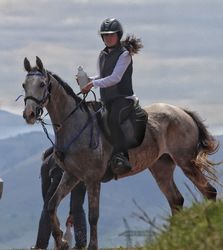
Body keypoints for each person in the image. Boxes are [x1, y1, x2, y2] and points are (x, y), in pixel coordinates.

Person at [80, 17, 143, 175]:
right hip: (107, 99)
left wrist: (93, 84)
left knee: (113, 119)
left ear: (118, 35)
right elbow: (102, 76)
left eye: (111, 35)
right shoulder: (102, 55)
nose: (108, 38)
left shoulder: (124, 55)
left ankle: (122, 157)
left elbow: (115, 78)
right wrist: (88, 80)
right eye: (105, 35)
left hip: (124, 99)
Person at [31, 149, 87, 250]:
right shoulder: (69, 151)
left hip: (60, 169)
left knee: (48, 207)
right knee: (78, 207)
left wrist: (56, 225)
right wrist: (71, 213)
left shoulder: (45, 164)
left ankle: (40, 246)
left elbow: (48, 205)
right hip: (80, 165)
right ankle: (81, 245)